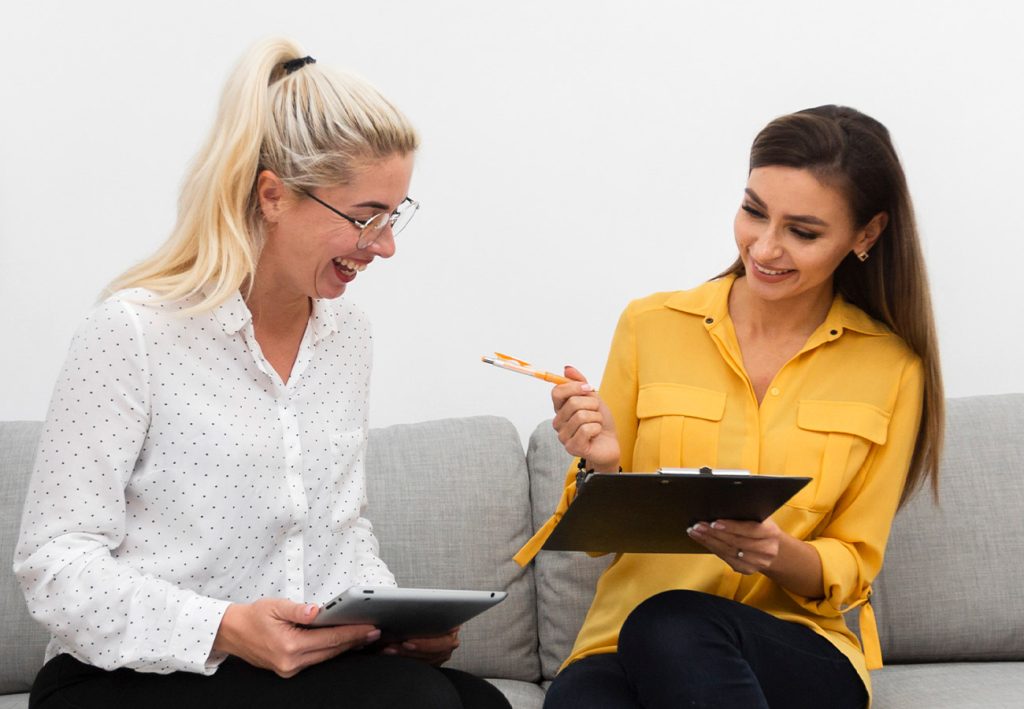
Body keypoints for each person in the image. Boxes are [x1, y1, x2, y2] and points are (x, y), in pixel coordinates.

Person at [14, 38, 511, 709]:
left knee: (476, 702)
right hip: (131, 674)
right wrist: (223, 627)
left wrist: (389, 623)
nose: (386, 246)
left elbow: (342, 529)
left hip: (294, 670)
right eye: (366, 218)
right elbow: (54, 563)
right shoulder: (132, 330)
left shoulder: (348, 336)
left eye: (394, 217)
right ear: (273, 195)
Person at [514, 105, 943, 709]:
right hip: (625, 639)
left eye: (803, 232)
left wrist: (777, 553)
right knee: (588, 694)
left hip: (795, 648)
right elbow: (595, 541)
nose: (764, 247)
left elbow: (853, 564)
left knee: (675, 625)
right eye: (754, 211)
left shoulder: (892, 368)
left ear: (866, 235)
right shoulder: (650, 326)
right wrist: (602, 466)